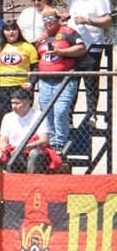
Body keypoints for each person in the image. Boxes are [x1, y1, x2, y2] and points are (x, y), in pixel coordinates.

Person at [51, 0, 113, 122]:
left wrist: (88, 20)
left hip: (91, 46)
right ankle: (69, 115)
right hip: (72, 45)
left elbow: (107, 21)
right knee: (71, 81)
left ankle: (91, 114)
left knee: (90, 81)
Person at [34, 8, 87, 151]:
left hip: (65, 79)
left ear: (57, 19)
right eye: (45, 19)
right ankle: (49, 142)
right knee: (46, 111)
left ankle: (60, 142)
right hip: (45, 80)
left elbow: (82, 48)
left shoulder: (68, 32)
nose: (48, 22)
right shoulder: (41, 38)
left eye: (50, 18)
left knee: (61, 110)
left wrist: (61, 52)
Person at [0, 87, 56, 174]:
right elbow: (3, 139)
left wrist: (23, 148)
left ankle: (31, 183)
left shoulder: (39, 115)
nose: (14, 106)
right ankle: (0, 183)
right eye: (12, 103)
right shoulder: (8, 117)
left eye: (17, 103)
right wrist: (4, 149)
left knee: (35, 153)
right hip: (12, 153)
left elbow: (44, 140)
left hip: (30, 152)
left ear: (27, 102)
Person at [0, 20, 37, 126]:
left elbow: (35, 68)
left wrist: (31, 83)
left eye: (14, 29)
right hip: (1, 88)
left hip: (22, 87)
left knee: (23, 117)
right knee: (4, 118)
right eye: (8, 30)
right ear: (3, 32)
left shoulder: (29, 47)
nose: (11, 32)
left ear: (18, 31)